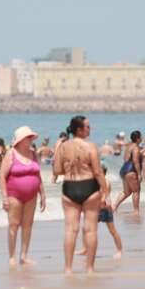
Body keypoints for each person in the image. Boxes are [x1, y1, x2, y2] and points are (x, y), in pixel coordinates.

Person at [53, 115, 109, 274]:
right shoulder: (91, 146)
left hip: (70, 187)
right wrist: (105, 192)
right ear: (79, 129)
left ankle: (68, 269)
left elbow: (57, 170)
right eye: (87, 126)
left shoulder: (63, 147)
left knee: (71, 230)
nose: (90, 129)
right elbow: (98, 172)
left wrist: (70, 168)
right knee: (90, 229)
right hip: (89, 186)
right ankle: (90, 269)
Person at [0, 126, 46, 267]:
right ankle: (12, 257)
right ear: (20, 140)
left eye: (31, 137)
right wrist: (4, 197)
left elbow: (37, 175)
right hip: (14, 195)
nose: (31, 140)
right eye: (28, 138)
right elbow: (2, 176)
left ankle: (24, 256)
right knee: (13, 225)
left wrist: (43, 194)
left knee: (28, 225)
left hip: (31, 196)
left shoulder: (33, 154)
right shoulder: (11, 154)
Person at [77, 166, 123, 261]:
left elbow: (103, 197)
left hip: (104, 209)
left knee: (112, 231)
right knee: (85, 228)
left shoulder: (105, 182)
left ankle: (119, 251)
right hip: (96, 209)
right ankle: (85, 249)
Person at [113, 130, 143, 213]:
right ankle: (136, 211)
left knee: (126, 192)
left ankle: (114, 207)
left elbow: (125, 158)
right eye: (140, 137)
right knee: (136, 191)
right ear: (137, 138)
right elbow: (135, 161)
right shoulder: (136, 148)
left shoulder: (128, 146)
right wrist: (139, 174)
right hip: (131, 170)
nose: (141, 138)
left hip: (124, 169)